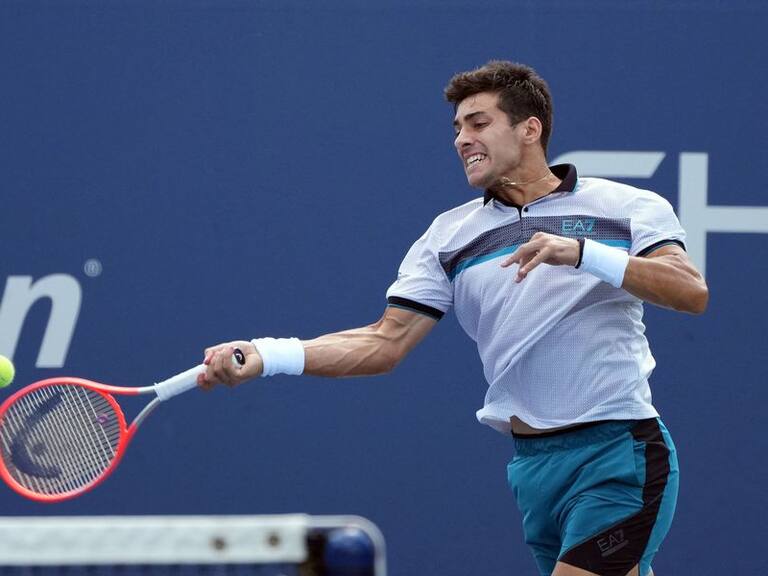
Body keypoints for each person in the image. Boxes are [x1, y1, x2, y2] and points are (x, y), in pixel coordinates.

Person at [199, 61, 709, 576]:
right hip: (532, 471)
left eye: (479, 123)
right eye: (458, 128)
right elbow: (383, 343)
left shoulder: (626, 206)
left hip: (618, 457)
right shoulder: (449, 236)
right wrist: (267, 354)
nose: (462, 139)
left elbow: (690, 291)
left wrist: (583, 252)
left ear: (529, 129)